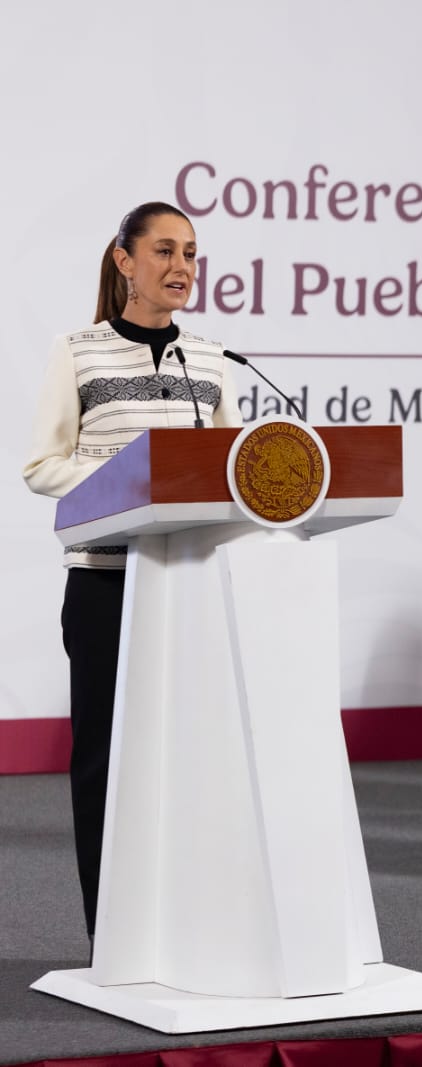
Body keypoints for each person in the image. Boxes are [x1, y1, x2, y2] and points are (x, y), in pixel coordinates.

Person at [22, 202, 243, 939]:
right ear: (124, 261)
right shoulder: (78, 351)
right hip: (107, 586)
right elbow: (43, 465)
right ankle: (112, 933)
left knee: (190, 759)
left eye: (191, 254)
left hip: (190, 586)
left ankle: (186, 928)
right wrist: (128, 474)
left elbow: (234, 472)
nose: (181, 268)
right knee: (105, 764)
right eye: (164, 252)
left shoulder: (210, 360)